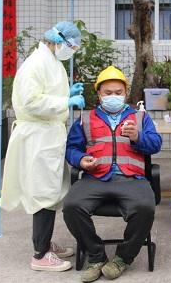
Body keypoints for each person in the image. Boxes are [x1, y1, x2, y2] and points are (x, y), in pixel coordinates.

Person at [0, 21, 85, 272]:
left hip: (48, 135)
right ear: (59, 41)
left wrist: (67, 94)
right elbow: (31, 101)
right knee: (43, 193)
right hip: (38, 137)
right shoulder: (36, 63)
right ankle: (40, 254)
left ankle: (46, 244)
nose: (72, 50)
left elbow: (47, 93)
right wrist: (65, 101)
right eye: (72, 46)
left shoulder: (51, 61)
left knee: (52, 191)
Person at [63, 66, 162, 282]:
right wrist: (81, 160)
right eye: (108, 93)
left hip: (132, 179)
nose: (113, 97)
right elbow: (71, 149)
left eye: (118, 92)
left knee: (145, 208)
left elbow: (156, 144)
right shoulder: (85, 119)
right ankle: (96, 256)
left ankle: (122, 258)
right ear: (99, 94)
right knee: (71, 206)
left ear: (125, 93)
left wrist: (138, 137)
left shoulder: (140, 117)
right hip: (95, 177)